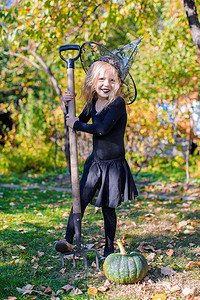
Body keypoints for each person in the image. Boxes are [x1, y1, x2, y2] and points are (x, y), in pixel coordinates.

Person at [55, 39, 142, 258]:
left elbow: (101, 129)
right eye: (101, 79)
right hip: (95, 163)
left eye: (112, 80)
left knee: (108, 208)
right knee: (80, 199)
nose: (106, 84)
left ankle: (109, 247)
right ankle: (68, 240)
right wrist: (67, 104)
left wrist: (76, 124)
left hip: (113, 166)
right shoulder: (93, 102)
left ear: (118, 84)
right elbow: (74, 118)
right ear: (93, 82)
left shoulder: (117, 104)